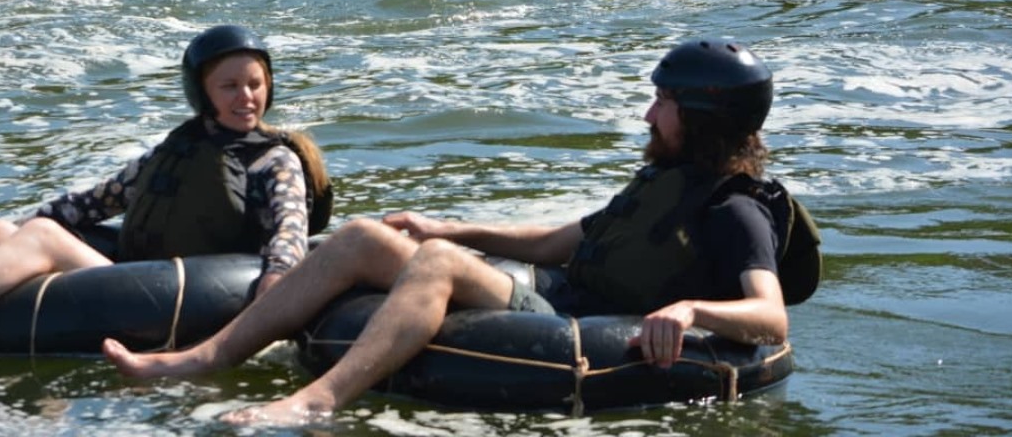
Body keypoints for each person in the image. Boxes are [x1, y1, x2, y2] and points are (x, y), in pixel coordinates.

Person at [101, 37, 820, 426]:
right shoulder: (664, 180)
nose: (646, 116)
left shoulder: (735, 210)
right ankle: (200, 359)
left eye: (661, 103)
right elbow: (557, 243)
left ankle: (316, 402)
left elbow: (768, 313)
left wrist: (690, 311)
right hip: (558, 299)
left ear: (701, 115)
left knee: (438, 264)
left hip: (588, 328)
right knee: (357, 237)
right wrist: (444, 224)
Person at [0, 24, 332, 358]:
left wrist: (275, 295)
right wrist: (10, 241)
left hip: (201, 293)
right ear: (201, 92)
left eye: (255, 84)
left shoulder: (273, 159)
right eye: (230, 86)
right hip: (140, 274)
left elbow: (289, 233)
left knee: (43, 237)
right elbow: (95, 202)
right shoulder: (180, 149)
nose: (247, 97)